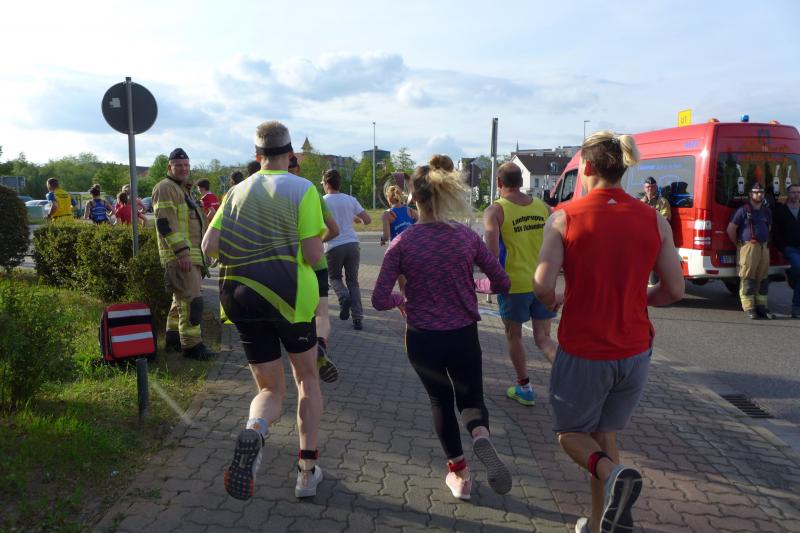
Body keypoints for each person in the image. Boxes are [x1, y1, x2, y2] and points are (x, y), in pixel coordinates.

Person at [534, 131, 684, 533]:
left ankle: (614, 476)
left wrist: (553, 300)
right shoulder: (654, 218)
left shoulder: (565, 216)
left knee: (571, 434)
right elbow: (674, 290)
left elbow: (542, 284)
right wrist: (634, 296)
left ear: (586, 167)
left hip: (585, 349)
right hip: (635, 352)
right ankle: (603, 524)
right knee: (605, 434)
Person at [372, 157, 513, 501]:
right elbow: (502, 281)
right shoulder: (465, 237)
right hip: (463, 334)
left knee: (440, 400)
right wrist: (475, 285)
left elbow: (378, 299)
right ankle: (481, 436)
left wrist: (402, 300)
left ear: (413, 199)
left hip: (423, 338)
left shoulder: (403, 243)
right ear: (445, 195)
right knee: (471, 398)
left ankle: (460, 476)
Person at [202, 120, 326, 500]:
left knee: (270, 388)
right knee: (307, 380)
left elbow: (208, 246)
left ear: (257, 156)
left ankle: (254, 430)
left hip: (241, 297)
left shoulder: (235, 191)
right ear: (290, 154)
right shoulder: (303, 189)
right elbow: (313, 254)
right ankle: (306, 473)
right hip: (290, 298)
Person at [483, 162, 556, 407]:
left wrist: (485, 281)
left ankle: (524, 388)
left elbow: (491, 253)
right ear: (522, 182)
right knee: (543, 338)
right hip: (543, 281)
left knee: (513, 336)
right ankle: (570, 382)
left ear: (499, 183)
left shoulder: (495, 211)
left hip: (513, 285)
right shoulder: (544, 207)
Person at [152, 148, 215, 360]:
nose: (183, 169)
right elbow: (165, 223)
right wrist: (182, 254)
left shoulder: (182, 189)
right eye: (178, 165)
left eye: (186, 165)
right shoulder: (165, 188)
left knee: (179, 301)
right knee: (191, 302)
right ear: (169, 167)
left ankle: (173, 340)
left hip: (190, 256)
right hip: (180, 257)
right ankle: (192, 347)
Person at [322, 168, 371, 330]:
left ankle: (343, 296)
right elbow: (368, 220)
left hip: (333, 246)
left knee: (334, 278)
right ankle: (357, 318)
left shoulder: (322, 201)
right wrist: (355, 218)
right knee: (353, 282)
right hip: (352, 244)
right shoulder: (350, 199)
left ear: (326, 183)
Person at [726, 181, 775, 319]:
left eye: (761, 192)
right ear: (750, 194)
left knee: (763, 277)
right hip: (748, 247)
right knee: (748, 277)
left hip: (763, 247)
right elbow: (731, 229)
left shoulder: (767, 211)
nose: (759, 194)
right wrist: (739, 244)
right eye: (756, 192)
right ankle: (749, 307)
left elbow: (769, 228)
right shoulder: (742, 211)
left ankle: (761, 306)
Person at [773, 183, 800, 318]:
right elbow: (776, 233)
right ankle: (797, 307)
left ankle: (796, 308)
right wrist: (782, 247)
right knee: (799, 267)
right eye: (793, 192)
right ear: (788, 194)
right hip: (789, 247)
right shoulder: (780, 212)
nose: (796, 195)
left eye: (798, 192)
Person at [641, 176, 671, 286]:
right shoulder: (640, 202)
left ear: (656, 187)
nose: (650, 189)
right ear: (644, 188)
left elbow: (665, 220)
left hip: (656, 238)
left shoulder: (662, 202)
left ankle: (653, 285)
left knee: (653, 269)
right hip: (642, 239)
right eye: (647, 187)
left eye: (652, 186)